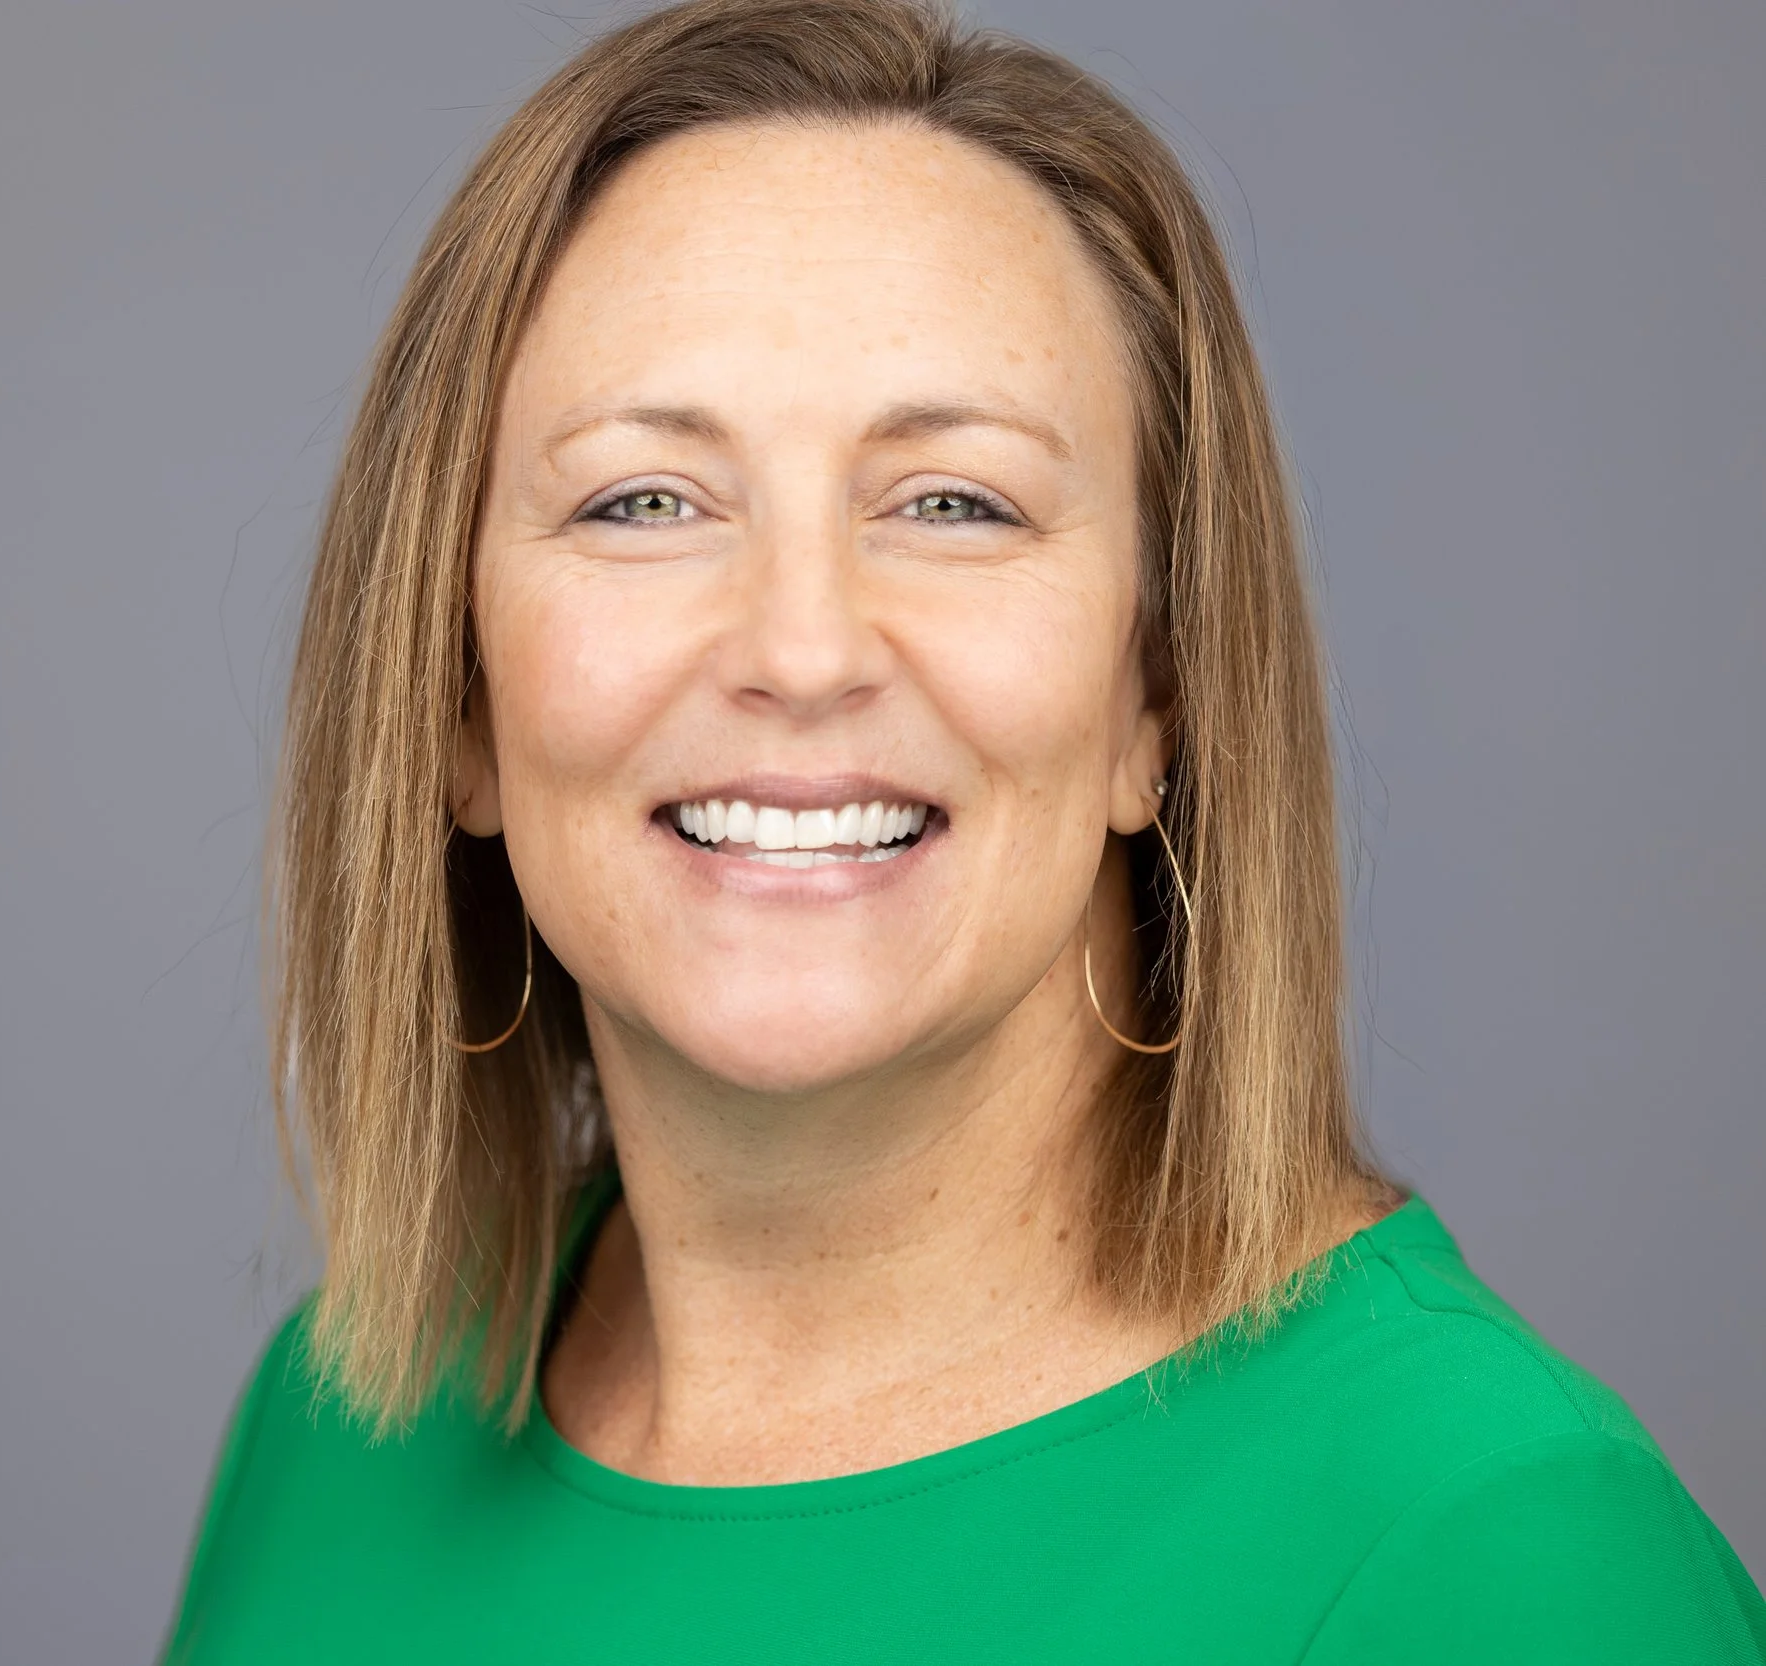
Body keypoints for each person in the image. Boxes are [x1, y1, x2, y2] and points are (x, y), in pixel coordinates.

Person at [162, 0, 1766, 1658]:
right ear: (460, 704)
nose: (800, 649)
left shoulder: (1491, 1555)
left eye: (954, 503)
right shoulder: (340, 1427)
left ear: (1160, 696)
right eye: (645, 501)